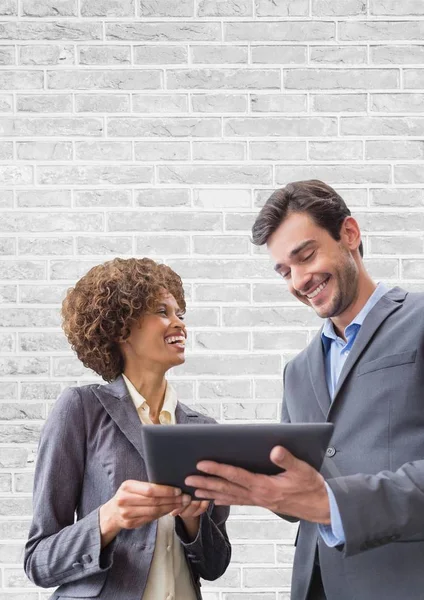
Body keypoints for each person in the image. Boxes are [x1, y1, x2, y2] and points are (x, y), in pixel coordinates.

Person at [185, 180, 424, 600]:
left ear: (349, 233)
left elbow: (323, 497)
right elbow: (297, 495)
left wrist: (333, 504)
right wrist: (248, 483)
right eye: (284, 271)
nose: (298, 280)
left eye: (306, 256)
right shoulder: (298, 371)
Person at [24, 257, 231, 600]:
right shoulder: (81, 410)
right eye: (162, 312)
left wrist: (193, 523)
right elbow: (39, 561)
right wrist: (108, 518)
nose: (179, 323)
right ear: (121, 328)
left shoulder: (203, 430)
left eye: (180, 313)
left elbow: (215, 565)